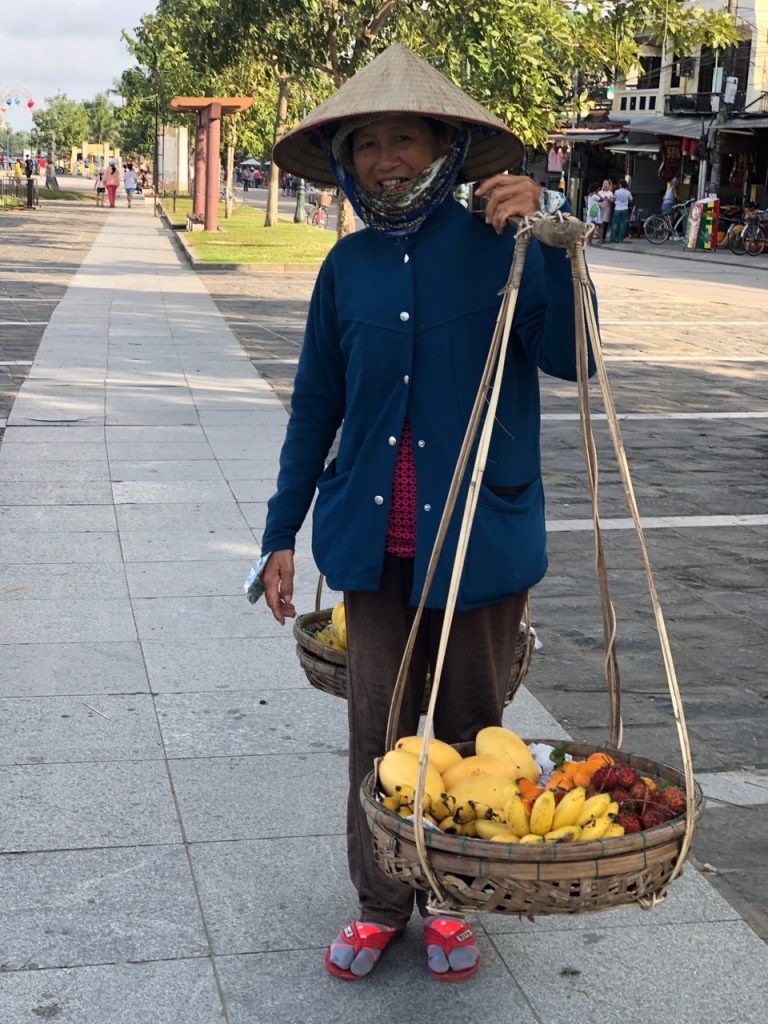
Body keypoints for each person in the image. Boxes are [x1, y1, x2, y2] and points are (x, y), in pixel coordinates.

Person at [247, 43, 593, 984]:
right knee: (377, 728)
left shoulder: (503, 245)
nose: (386, 160)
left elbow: (576, 358)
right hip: (374, 544)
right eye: (368, 146)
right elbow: (315, 407)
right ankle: (377, 901)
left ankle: (452, 899)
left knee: (472, 729)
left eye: (406, 139)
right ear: (348, 161)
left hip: (481, 536)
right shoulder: (346, 267)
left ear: (447, 146)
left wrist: (552, 240)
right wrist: (279, 533)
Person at [597, 178, 614, 243]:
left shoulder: (610, 193)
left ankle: (603, 238)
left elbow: (612, 202)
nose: (605, 185)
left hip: (607, 210)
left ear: (609, 185)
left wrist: (609, 199)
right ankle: (600, 237)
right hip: (599, 209)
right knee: (599, 224)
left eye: (606, 183)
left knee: (605, 223)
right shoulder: (599, 192)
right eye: (604, 183)